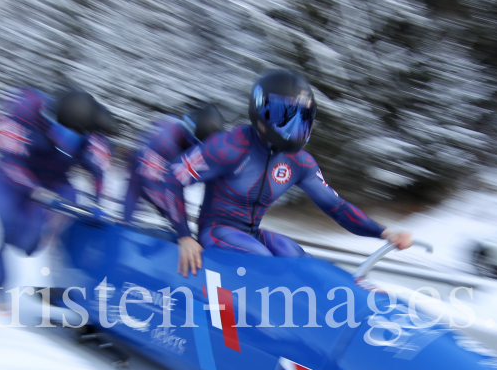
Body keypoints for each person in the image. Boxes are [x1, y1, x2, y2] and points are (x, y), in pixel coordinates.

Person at [158, 69, 412, 276]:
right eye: (284, 117)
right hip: (216, 231)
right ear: (260, 112)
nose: (293, 127)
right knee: (264, 261)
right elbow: (171, 178)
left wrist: (385, 233)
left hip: (251, 234)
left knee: (302, 261)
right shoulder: (228, 146)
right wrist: (184, 237)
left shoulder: (300, 162)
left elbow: (337, 207)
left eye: (301, 119)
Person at [0, 87, 111, 312]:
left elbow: (98, 172)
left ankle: (49, 235)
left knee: (33, 242)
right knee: (7, 235)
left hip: (54, 180)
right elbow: (9, 162)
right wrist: (34, 191)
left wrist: (97, 201)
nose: (70, 136)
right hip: (14, 180)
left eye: (77, 132)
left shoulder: (90, 136)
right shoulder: (24, 112)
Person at [122, 104, 225, 225]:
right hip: (143, 166)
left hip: (162, 163)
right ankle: (124, 223)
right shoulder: (166, 140)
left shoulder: (196, 140)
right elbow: (146, 181)